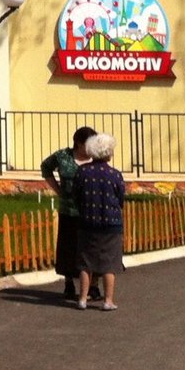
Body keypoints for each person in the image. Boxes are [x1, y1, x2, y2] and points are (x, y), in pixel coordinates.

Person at [40, 126, 97, 300]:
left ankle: (93, 286)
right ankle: (69, 283)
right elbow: (46, 167)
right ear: (78, 144)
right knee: (68, 247)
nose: (91, 149)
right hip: (69, 209)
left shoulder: (96, 158)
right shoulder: (63, 157)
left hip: (91, 211)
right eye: (88, 145)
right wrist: (58, 189)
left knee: (91, 248)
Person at [73, 132, 125, 311]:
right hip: (111, 225)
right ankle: (108, 300)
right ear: (108, 153)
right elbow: (120, 199)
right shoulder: (115, 175)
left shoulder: (82, 172)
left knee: (86, 262)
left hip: (87, 222)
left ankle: (82, 299)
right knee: (109, 264)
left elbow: (76, 196)